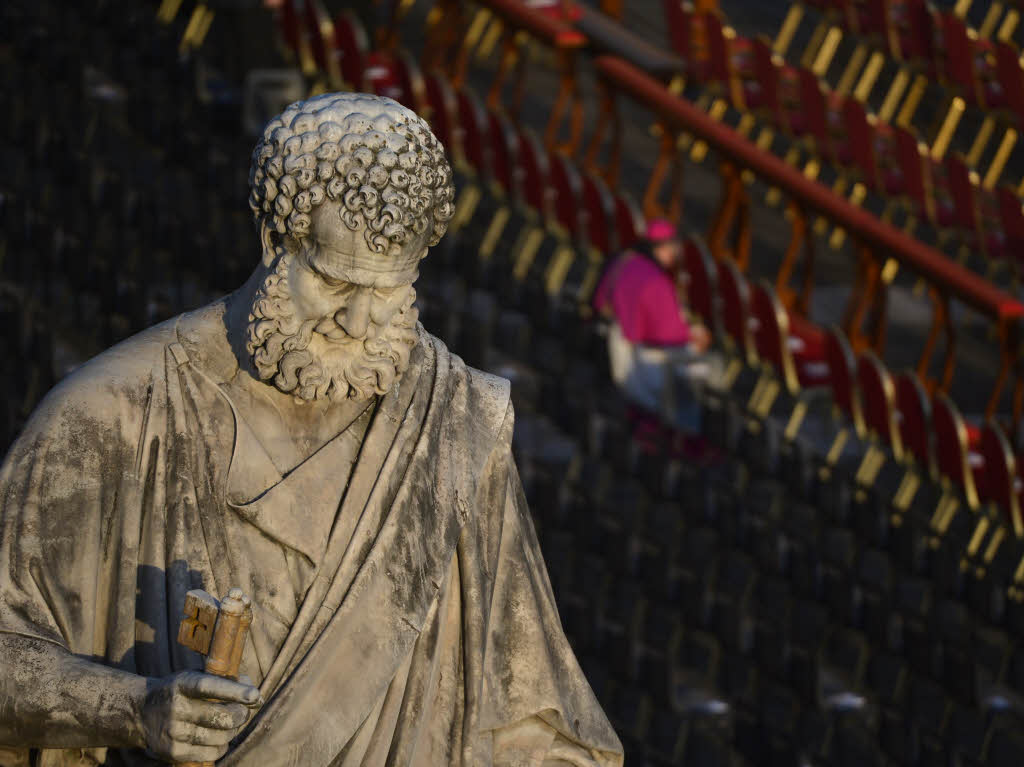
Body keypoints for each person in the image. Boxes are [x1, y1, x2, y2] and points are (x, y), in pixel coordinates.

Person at [0, 93, 622, 766]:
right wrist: (133, 707)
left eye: (388, 292)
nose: (359, 322)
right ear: (274, 240)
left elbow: (534, 723)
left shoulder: (450, 426)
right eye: (333, 282)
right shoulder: (113, 414)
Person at [593, 219, 712, 432]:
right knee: (707, 367)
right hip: (642, 366)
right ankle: (689, 434)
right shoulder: (656, 281)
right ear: (664, 248)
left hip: (613, 348)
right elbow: (670, 335)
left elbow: (600, 302)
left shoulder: (623, 261)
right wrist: (695, 336)